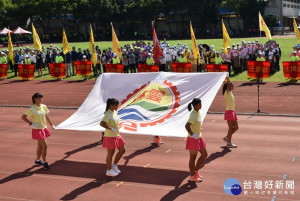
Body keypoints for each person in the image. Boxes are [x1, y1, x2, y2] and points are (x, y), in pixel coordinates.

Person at [21, 93, 55, 170]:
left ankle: (37, 160)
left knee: (40, 146)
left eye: (41, 98)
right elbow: (23, 117)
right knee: (45, 145)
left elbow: (46, 116)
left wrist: (51, 125)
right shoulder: (32, 109)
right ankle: (45, 162)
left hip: (44, 128)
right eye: (39, 98)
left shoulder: (44, 106)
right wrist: (31, 123)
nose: (41, 100)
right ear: (35, 99)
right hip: (37, 130)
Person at [100, 98, 125, 177]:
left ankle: (114, 165)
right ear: (111, 105)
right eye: (116, 105)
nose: (117, 106)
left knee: (122, 150)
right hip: (110, 136)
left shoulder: (114, 112)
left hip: (117, 135)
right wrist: (110, 128)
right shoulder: (108, 114)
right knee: (110, 153)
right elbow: (102, 123)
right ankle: (109, 170)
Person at [185, 98, 207, 182]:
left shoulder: (198, 113)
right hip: (192, 139)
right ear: (195, 105)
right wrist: (192, 134)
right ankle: (192, 176)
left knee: (204, 154)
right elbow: (187, 126)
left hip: (198, 138)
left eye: (201, 104)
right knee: (193, 158)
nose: (201, 105)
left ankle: (195, 171)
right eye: (199, 104)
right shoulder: (193, 114)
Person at [222, 77, 238, 148]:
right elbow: (228, 83)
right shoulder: (227, 92)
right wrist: (227, 76)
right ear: (229, 86)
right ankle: (229, 143)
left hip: (233, 111)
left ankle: (226, 137)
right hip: (229, 111)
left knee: (236, 127)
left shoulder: (230, 92)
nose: (233, 85)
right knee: (231, 128)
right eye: (232, 85)